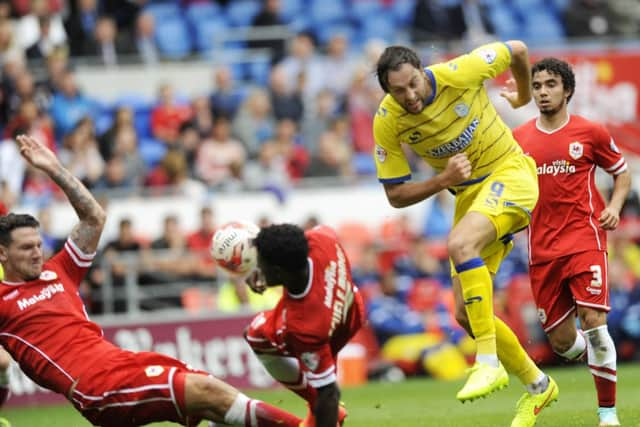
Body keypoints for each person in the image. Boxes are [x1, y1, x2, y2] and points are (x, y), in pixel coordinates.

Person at [0, 135, 303, 427]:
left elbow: (94, 218)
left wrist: (55, 170)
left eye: (39, 245)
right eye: (27, 248)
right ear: (2, 253)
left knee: (212, 398)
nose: (37, 253)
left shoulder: (59, 270)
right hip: (97, 386)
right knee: (206, 392)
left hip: (121, 361)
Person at [373, 41, 557, 427]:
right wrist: (442, 180)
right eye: (398, 91)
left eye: (412, 85)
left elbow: (519, 50)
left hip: (510, 173)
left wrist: (523, 95)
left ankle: (487, 361)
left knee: (459, 243)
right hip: (468, 195)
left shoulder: (462, 71)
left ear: (422, 70)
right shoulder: (388, 120)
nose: (409, 96)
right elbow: (395, 195)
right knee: (465, 314)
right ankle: (539, 387)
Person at [513, 57, 630, 427]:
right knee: (563, 343)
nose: (543, 92)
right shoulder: (519, 140)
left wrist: (613, 205)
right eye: (537, 86)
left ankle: (608, 414)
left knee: (595, 323)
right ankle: (598, 356)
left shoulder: (590, 132)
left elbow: (621, 173)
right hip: (542, 250)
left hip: (585, 239)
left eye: (550, 85)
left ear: (567, 90)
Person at [244, 223, 365, 427]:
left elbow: (329, 392)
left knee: (255, 334)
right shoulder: (321, 240)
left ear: (278, 272)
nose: (259, 266)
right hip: (352, 308)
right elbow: (325, 229)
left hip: (325, 326)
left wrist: (327, 407)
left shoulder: (302, 326)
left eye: (261, 263)